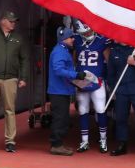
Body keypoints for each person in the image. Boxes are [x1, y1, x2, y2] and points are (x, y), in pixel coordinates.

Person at [0, 10, 29, 153]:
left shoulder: (18, 38)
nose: (13, 23)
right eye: (10, 21)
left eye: (14, 21)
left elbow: (24, 58)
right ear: (2, 20)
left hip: (10, 78)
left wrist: (24, 77)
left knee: (10, 110)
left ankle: (10, 141)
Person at [72, 21, 110, 153]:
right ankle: (84, 141)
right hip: (83, 80)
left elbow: (108, 60)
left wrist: (107, 77)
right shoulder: (76, 40)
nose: (86, 34)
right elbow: (75, 59)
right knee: (83, 111)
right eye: (83, 32)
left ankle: (103, 139)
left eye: (87, 31)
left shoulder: (101, 40)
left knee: (100, 110)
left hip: (97, 80)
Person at [46, 28, 79, 156]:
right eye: (71, 37)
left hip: (61, 90)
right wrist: (76, 75)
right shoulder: (60, 52)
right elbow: (59, 70)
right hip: (59, 90)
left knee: (62, 117)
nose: (73, 39)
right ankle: (56, 144)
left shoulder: (62, 50)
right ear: (64, 38)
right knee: (60, 118)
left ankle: (58, 143)